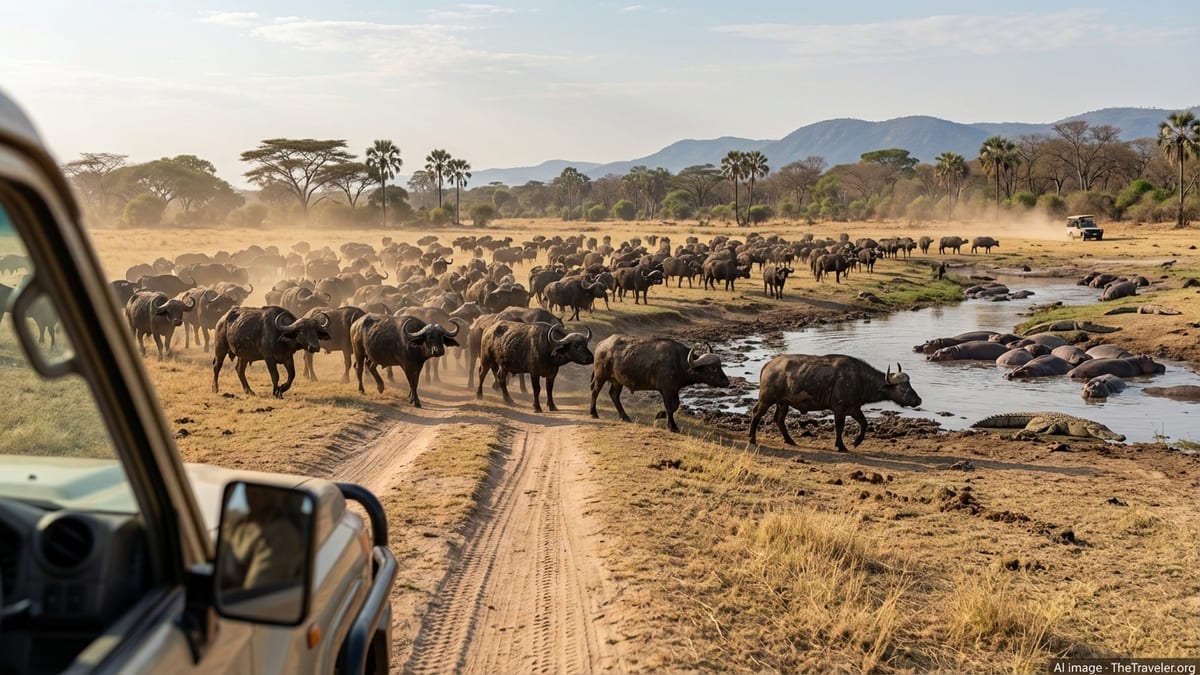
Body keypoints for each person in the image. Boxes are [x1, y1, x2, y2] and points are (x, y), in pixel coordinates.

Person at [218, 484, 306, 590]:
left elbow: (253, 597)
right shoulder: (238, 524)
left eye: (266, 489)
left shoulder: (281, 536)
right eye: (250, 486)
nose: (256, 492)